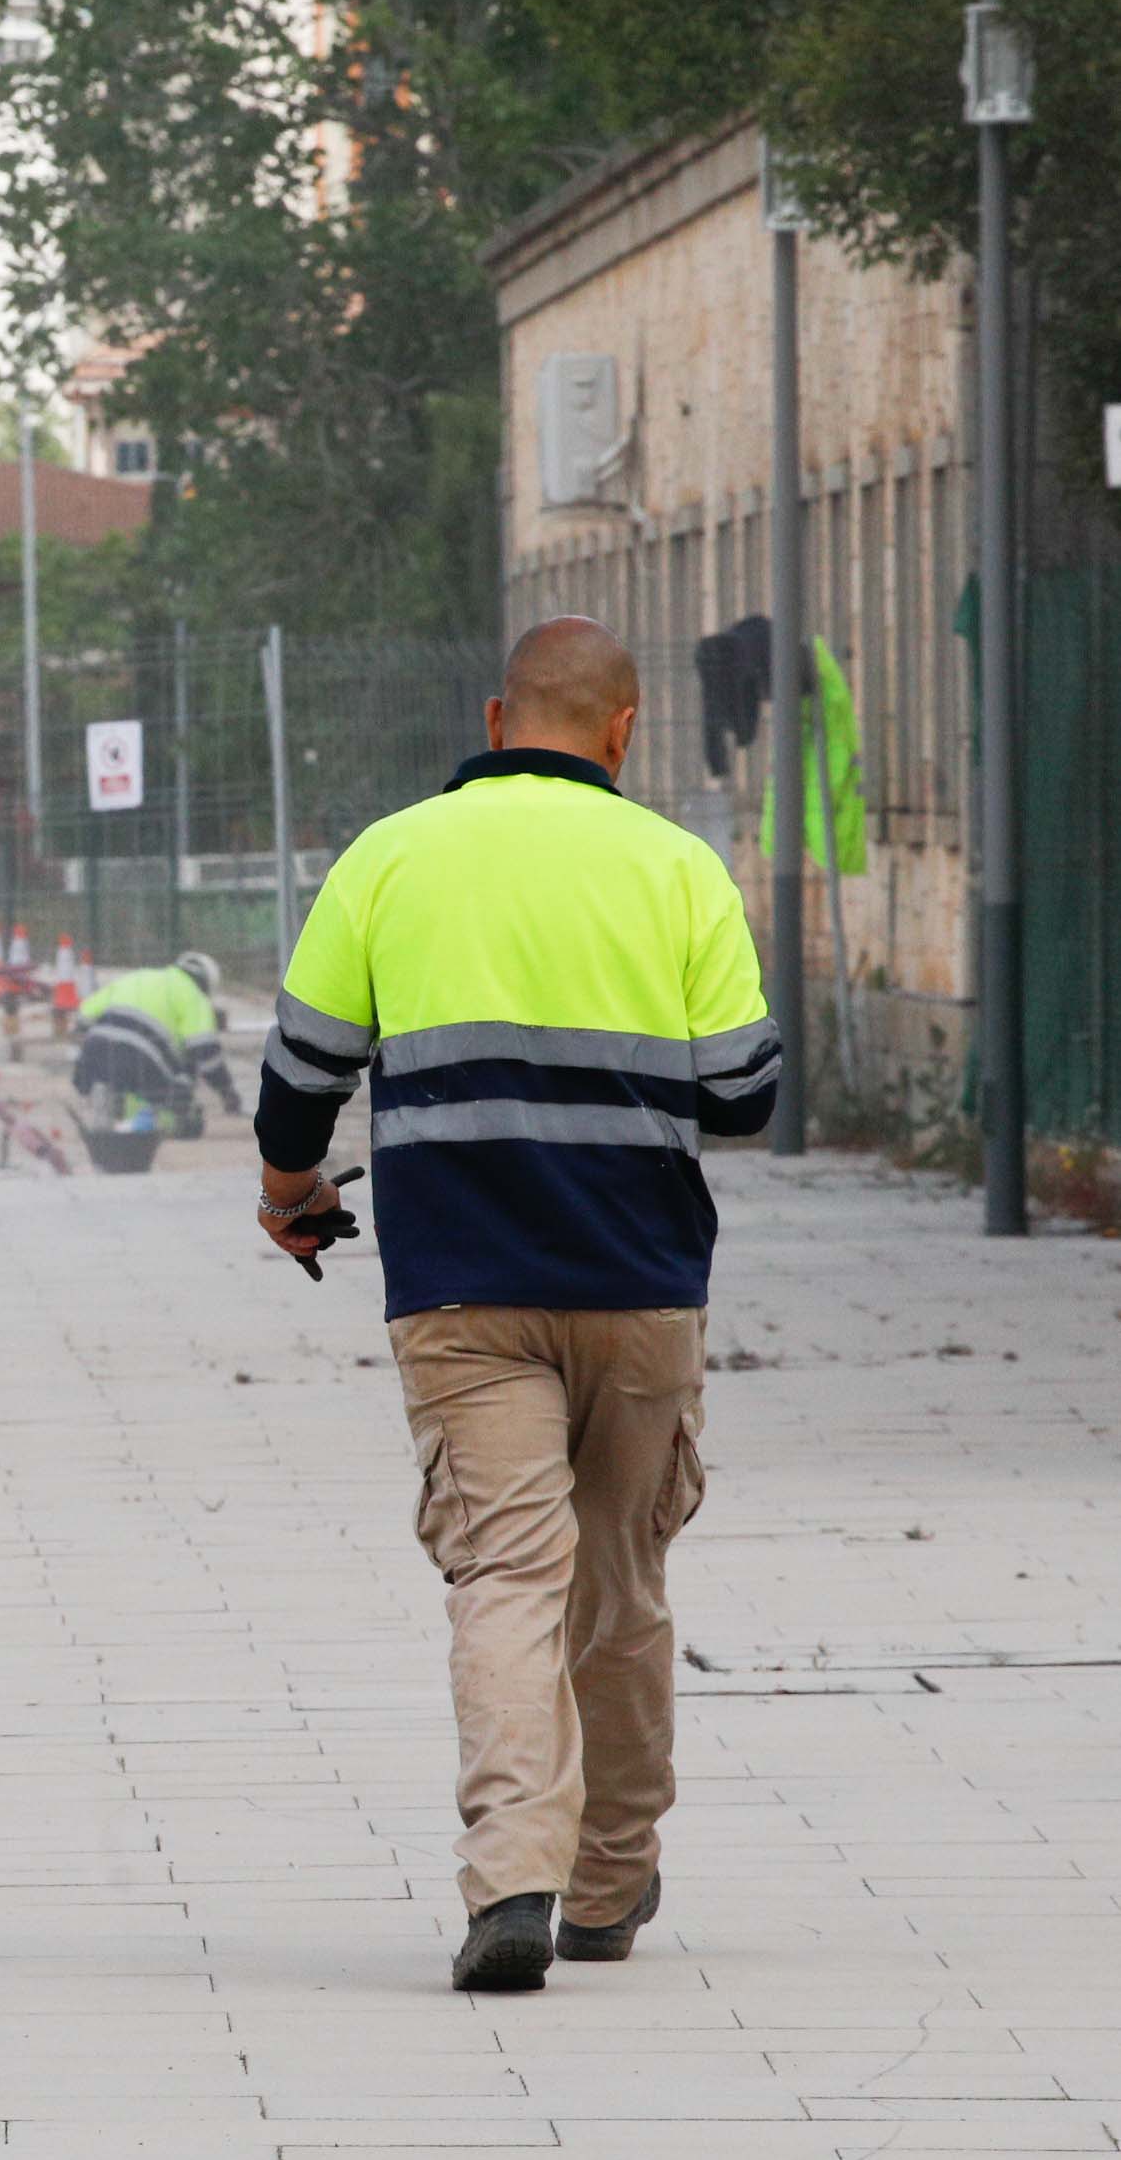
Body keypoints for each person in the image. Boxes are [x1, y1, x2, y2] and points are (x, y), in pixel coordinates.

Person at [254, 616, 779, 1995]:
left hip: (459, 1289)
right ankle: (607, 1884)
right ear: (620, 732)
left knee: (503, 1575)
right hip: (637, 1285)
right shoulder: (676, 868)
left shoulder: (389, 853)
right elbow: (741, 1096)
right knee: (617, 1578)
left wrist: (285, 1191)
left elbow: (299, 1073)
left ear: (496, 720)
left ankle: (510, 1882)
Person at [71, 950, 240, 1134]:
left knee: (119, 1067)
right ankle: (159, 1120)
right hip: (142, 1060)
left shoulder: (139, 976)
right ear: (207, 985)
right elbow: (206, 1053)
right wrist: (227, 1093)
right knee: (182, 1088)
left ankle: (112, 1109)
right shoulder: (194, 995)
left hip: (94, 1054)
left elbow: (83, 1017)